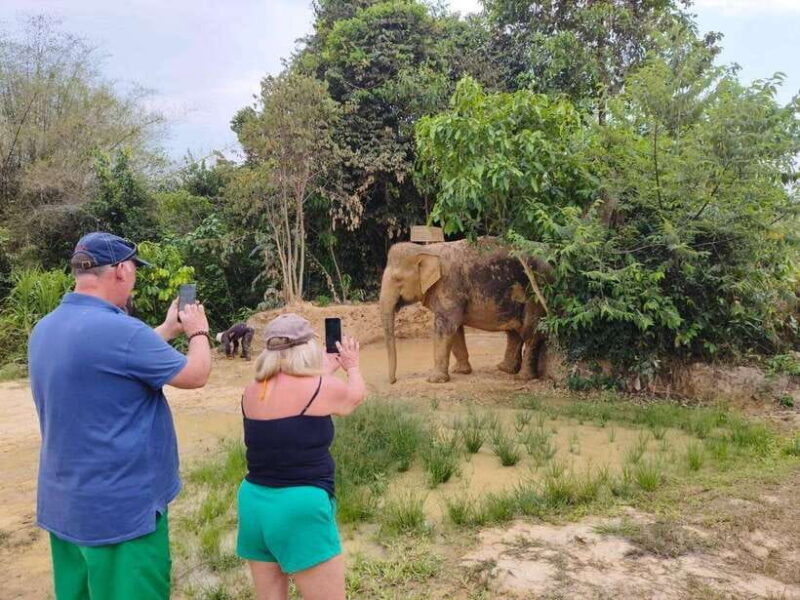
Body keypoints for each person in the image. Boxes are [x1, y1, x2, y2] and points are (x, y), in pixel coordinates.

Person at [28, 232, 213, 600]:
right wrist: (198, 332)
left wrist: (165, 330)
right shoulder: (122, 332)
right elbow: (196, 375)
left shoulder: (46, 328)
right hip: (122, 516)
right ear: (121, 270)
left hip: (67, 508)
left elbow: (115, 360)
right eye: (134, 272)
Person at [237, 313, 365, 600]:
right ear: (307, 349)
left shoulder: (251, 391)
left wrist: (324, 374)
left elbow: (293, 403)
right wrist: (352, 366)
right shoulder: (320, 388)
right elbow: (353, 398)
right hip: (300, 508)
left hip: (254, 503)